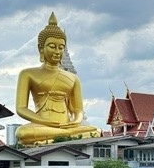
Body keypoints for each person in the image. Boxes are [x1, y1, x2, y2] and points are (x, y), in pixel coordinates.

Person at [15, 13, 99, 145]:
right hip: (42, 125)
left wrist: (76, 121)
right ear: (41, 48)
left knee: (96, 130)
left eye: (61, 48)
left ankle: (54, 139)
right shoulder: (27, 74)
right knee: (22, 133)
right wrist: (44, 121)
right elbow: (21, 108)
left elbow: (78, 110)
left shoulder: (73, 78)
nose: (57, 52)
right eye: (52, 47)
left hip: (67, 125)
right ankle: (64, 138)